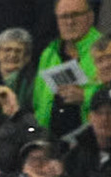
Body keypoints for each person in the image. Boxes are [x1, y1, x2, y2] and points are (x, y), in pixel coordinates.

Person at [32, 0, 99, 137]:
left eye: (75, 15)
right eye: (63, 17)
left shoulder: (106, 49)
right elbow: (38, 102)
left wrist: (85, 96)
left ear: (90, 17)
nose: (69, 22)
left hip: (92, 139)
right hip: (50, 139)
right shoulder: (49, 53)